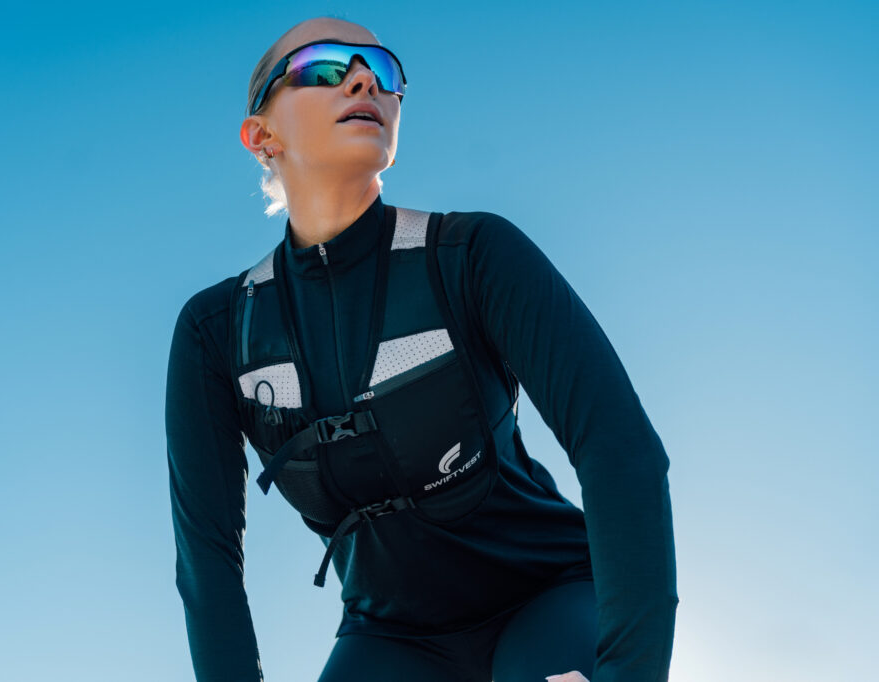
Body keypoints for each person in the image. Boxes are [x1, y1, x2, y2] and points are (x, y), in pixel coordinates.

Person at [165, 15, 678, 682]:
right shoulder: (216, 331)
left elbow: (621, 451)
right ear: (261, 136)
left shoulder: (473, 256)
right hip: (388, 638)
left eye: (382, 73)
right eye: (325, 66)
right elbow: (207, 557)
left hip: (548, 595)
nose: (361, 80)